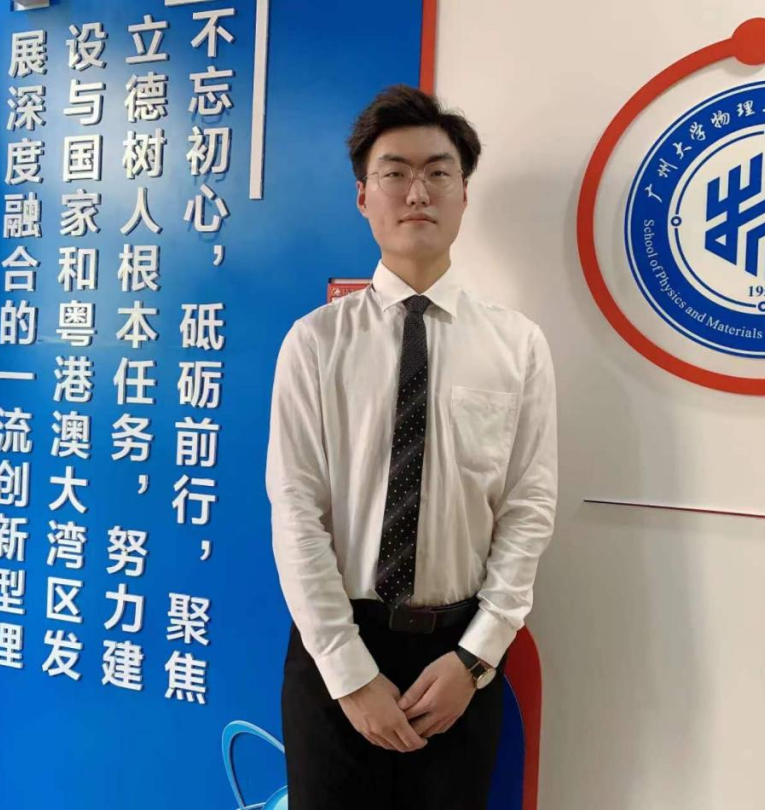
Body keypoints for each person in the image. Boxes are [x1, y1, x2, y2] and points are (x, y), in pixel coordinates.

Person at [266, 84, 558, 809]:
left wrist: (475, 657)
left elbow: (528, 510)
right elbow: (296, 510)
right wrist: (348, 672)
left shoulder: (518, 345)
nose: (417, 191)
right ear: (364, 196)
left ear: (464, 194)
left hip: (459, 659)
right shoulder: (314, 343)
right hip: (337, 648)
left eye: (438, 172)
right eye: (394, 172)